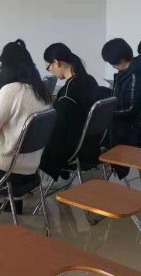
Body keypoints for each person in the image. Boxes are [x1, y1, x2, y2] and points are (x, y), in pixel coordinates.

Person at [0, 39, 50, 217]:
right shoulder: (40, 90)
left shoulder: (11, 90)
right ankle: (13, 204)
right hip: (32, 167)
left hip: (7, 169)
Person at [39, 43, 100, 179]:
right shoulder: (90, 80)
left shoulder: (67, 93)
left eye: (48, 67)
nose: (50, 71)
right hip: (90, 145)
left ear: (56, 62)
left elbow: (58, 131)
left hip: (71, 150)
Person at [101, 38, 141, 153]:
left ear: (121, 59)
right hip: (140, 123)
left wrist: (105, 112)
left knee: (90, 124)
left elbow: (129, 108)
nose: (113, 66)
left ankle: (97, 157)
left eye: (112, 63)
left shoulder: (135, 75)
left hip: (129, 128)